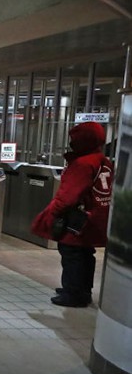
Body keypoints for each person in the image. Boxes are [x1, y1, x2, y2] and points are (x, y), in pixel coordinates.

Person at [31, 121, 113, 308]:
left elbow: (68, 195)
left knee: (71, 252)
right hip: (97, 215)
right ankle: (83, 289)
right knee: (85, 253)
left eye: (74, 139)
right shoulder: (103, 161)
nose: (71, 143)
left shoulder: (83, 164)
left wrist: (50, 214)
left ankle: (74, 293)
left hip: (78, 219)